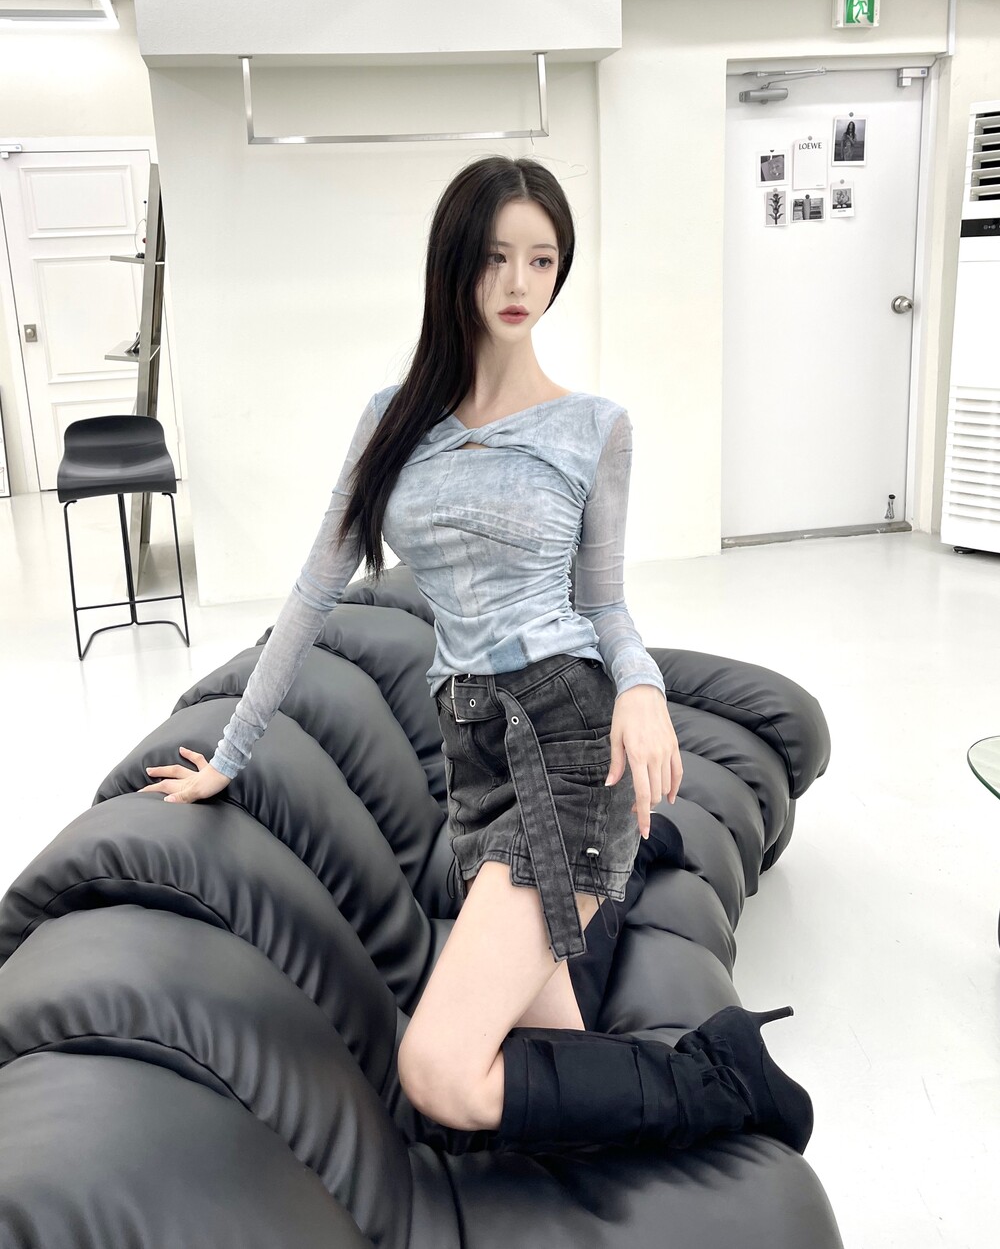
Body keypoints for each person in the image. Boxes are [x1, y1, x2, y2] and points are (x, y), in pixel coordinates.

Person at [140, 155, 812, 1156]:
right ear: (453, 263)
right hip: (476, 759)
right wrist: (230, 757)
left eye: (542, 260)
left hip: (568, 729)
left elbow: (603, 603)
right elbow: (313, 591)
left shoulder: (592, 428)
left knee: (441, 1070)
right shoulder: (392, 420)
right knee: (556, 1061)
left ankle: (722, 1075)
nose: (518, 284)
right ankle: (627, 880)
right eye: (496, 257)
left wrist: (640, 686)